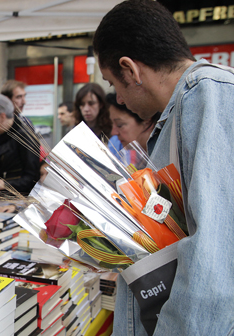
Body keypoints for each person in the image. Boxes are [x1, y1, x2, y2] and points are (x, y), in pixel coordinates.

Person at [93, 1, 234, 335]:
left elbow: (211, 263)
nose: (121, 100)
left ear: (130, 70)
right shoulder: (186, 105)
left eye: (114, 84)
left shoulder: (205, 97)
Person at [0, 94, 41, 196]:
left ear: (2, 116)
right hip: (5, 201)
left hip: (17, 203)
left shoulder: (24, 136)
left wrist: (5, 185)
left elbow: (32, 178)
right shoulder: (4, 133)